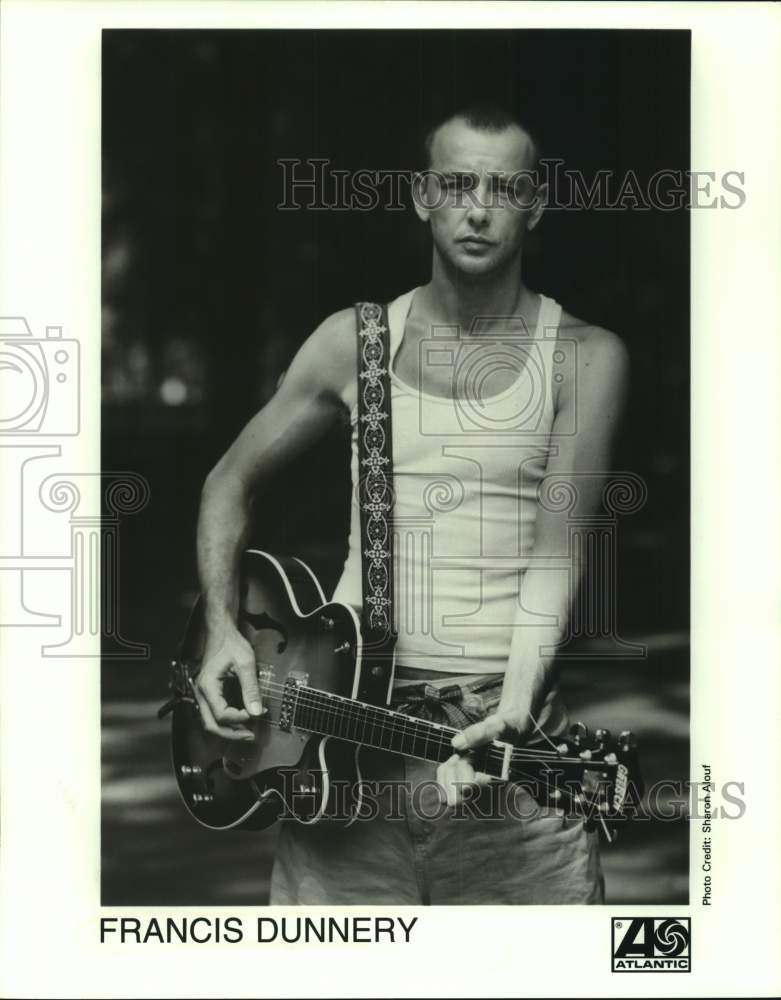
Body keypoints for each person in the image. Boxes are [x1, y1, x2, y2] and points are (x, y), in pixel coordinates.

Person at [194, 104, 629, 904]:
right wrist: (223, 630)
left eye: (503, 187)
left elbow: (556, 551)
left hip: (505, 744)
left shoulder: (583, 358)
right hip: (336, 742)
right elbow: (227, 481)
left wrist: (516, 704)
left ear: (535, 205)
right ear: (421, 195)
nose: (476, 206)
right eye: (456, 182)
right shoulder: (352, 344)